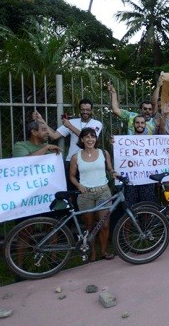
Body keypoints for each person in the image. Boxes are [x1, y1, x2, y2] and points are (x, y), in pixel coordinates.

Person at [69, 128, 118, 261]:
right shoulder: (76, 157)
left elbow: (110, 168)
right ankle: (92, 253)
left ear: (96, 139)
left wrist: (114, 173)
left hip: (103, 192)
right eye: (87, 137)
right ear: (82, 140)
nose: (90, 139)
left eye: (93, 136)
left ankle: (103, 251)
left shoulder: (103, 153)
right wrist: (79, 185)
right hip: (86, 195)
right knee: (89, 225)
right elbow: (72, 176)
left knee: (104, 224)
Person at [34, 99, 103, 187]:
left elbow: (88, 138)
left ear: (91, 111)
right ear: (79, 110)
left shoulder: (97, 123)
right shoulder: (71, 122)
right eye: (83, 109)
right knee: (71, 191)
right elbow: (54, 135)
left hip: (88, 161)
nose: (85, 112)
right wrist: (41, 120)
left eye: (88, 110)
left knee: (88, 189)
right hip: (71, 160)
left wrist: (69, 126)